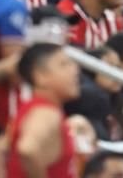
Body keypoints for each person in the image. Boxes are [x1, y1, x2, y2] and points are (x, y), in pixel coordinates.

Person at [6, 43, 81, 177]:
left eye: (72, 64)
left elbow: (1, 148)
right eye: (63, 65)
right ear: (40, 76)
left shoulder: (34, 109)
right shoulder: (46, 112)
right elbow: (27, 148)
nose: (75, 70)